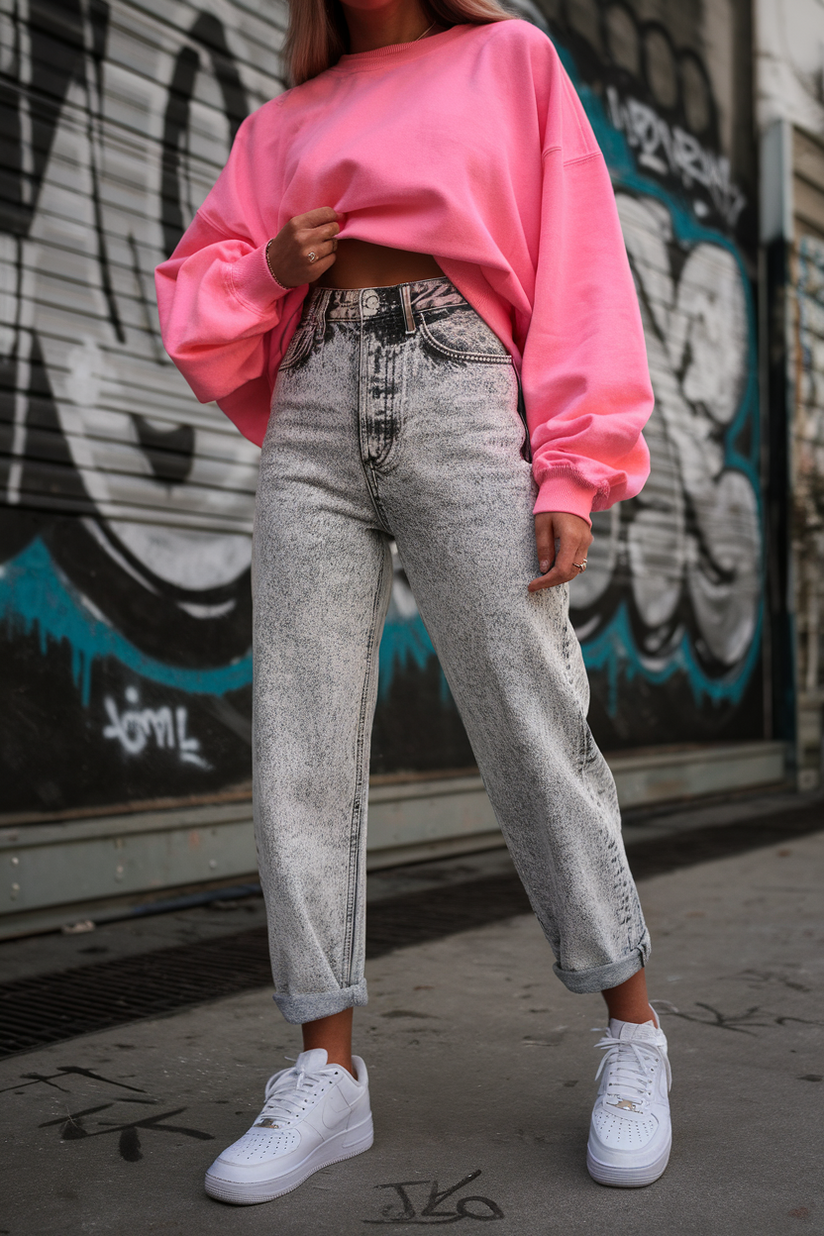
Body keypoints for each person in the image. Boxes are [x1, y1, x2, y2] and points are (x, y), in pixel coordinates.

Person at [155, 0, 671, 1206]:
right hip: (313, 404)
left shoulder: (510, 56)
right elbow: (195, 292)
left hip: (459, 385)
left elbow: (579, 256)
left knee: (530, 717)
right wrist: (267, 268)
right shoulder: (282, 119)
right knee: (300, 743)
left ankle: (632, 1034)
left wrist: (576, 468)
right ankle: (324, 1072)